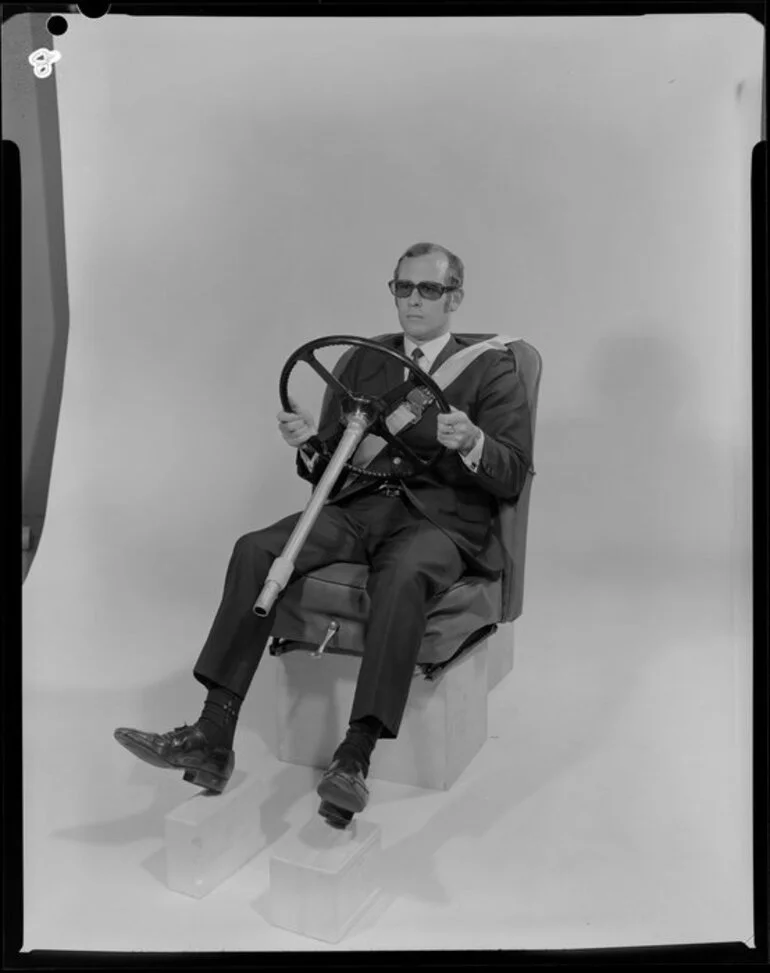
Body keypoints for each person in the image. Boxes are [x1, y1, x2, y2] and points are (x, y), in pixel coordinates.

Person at [114, 242, 533, 829]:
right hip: (358, 507)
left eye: (429, 290)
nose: (413, 300)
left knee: (405, 572)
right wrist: (309, 439)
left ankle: (354, 756)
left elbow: (513, 472)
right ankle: (213, 733)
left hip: (438, 520)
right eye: (403, 287)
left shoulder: (492, 367)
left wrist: (474, 443)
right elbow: (336, 461)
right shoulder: (365, 360)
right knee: (256, 549)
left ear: (455, 298)